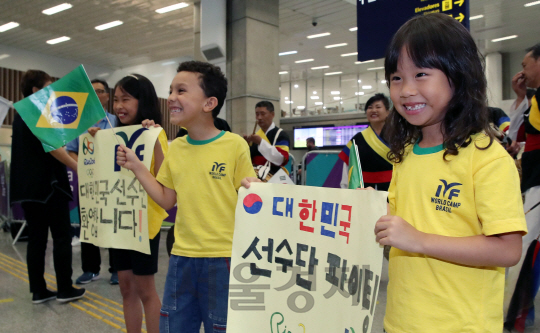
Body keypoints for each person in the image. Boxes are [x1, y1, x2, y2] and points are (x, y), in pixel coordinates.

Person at [375, 14, 527, 333]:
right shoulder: (406, 153)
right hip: (401, 321)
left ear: (458, 76)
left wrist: (419, 240)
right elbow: (406, 218)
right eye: (396, 78)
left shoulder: (486, 158)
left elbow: (508, 249)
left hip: (460, 325)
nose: (405, 90)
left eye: (421, 74)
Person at [116, 61, 255, 332]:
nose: (170, 98)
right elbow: (167, 199)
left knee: (221, 326)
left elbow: (250, 195)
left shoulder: (234, 144)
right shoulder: (177, 147)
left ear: (209, 103)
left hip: (223, 258)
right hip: (181, 256)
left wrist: (257, 187)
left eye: (181, 91)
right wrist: (137, 167)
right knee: (176, 326)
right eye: (170, 90)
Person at [10, 70, 86, 304]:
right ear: (36, 91)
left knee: (37, 240)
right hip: (49, 188)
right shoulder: (37, 112)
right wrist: (77, 166)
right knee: (61, 237)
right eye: (49, 87)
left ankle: (38, 290)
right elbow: (53, 146)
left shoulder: (20, 114)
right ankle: (64, 288)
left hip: (29, 190)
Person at [109, 74, 168, 333]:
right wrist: (95, 141)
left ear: (142, 101)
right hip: (119, 220)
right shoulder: (112, 134)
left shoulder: (154, 132)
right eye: (115, 99)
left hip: (145, 222)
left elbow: (165, 176)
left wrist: (152, 137)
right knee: (125, 285)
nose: (119, 105)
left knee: (145, 288)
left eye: (126, 99)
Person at [66, 79, 119, 285]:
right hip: (88, 186)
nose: (96, 95)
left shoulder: (116, 122)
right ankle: (90, 269)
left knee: (114, 225)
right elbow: (71, 151)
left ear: (107, 96)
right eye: (92, 92)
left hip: (113, 185)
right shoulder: (78, 124)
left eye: (100, 91)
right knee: (89, 226)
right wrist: (85, 171)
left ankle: (116, 269)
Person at [503, 43, 540, 322]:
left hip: (539, 184)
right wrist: (521, 96)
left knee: (524, 248)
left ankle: (512, 313)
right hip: (533, 182)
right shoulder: (534, 100)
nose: (522, 72)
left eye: (526, 65)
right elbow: (515, 135)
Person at [339, 93, 392, 191]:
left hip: (393, 188)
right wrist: (346, 190)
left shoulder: (398, 138)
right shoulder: (357, 139)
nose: (373, 110)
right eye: (370, 107)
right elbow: (348, 169)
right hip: (364, 189)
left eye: (378, 107)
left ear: (388, 112)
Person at [244, 101, 290, 179]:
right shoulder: (255, 136)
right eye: (257, 114)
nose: (259, 118)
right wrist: (245, 145)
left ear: (272, 114)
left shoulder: (281, 134)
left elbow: (280, 159)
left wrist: (260, 142)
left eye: (263, 114)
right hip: (255, 175)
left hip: (273, 176)